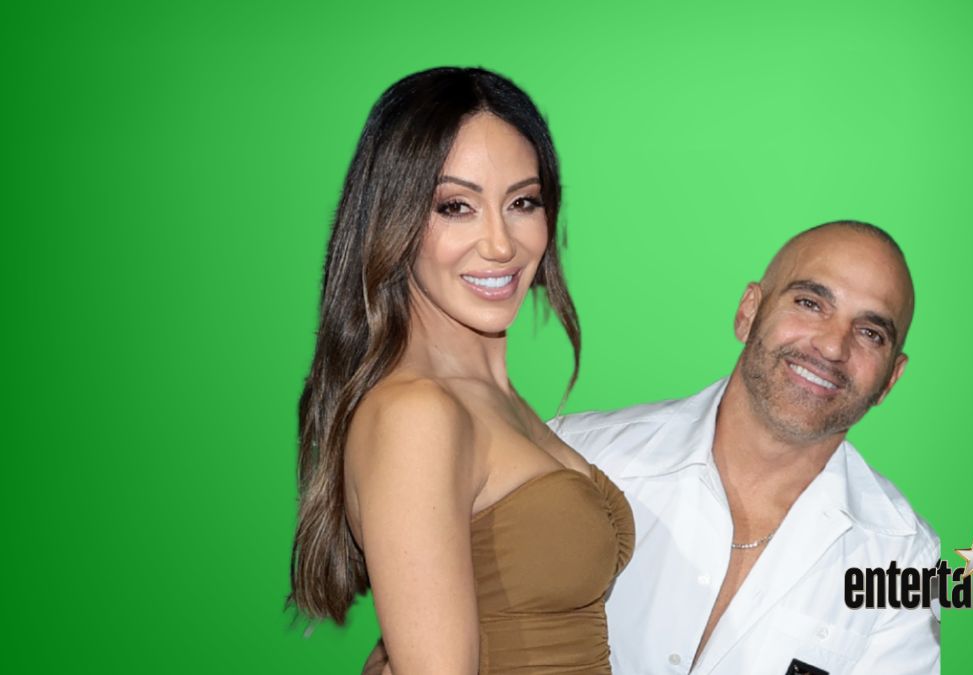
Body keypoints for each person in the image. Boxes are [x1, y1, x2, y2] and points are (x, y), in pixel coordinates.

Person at [289, 67, 633, 675]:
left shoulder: (494, 400)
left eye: (522, 202)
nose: (500, 244)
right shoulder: (416, 414)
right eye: (456, 207)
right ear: (391, 220)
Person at [553, 221, 940, 674]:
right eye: (810, 303)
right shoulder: (575, 458)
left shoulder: (903, 559)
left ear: (890, 379)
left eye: (871, 333)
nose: (833, 346)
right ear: (748, 311)